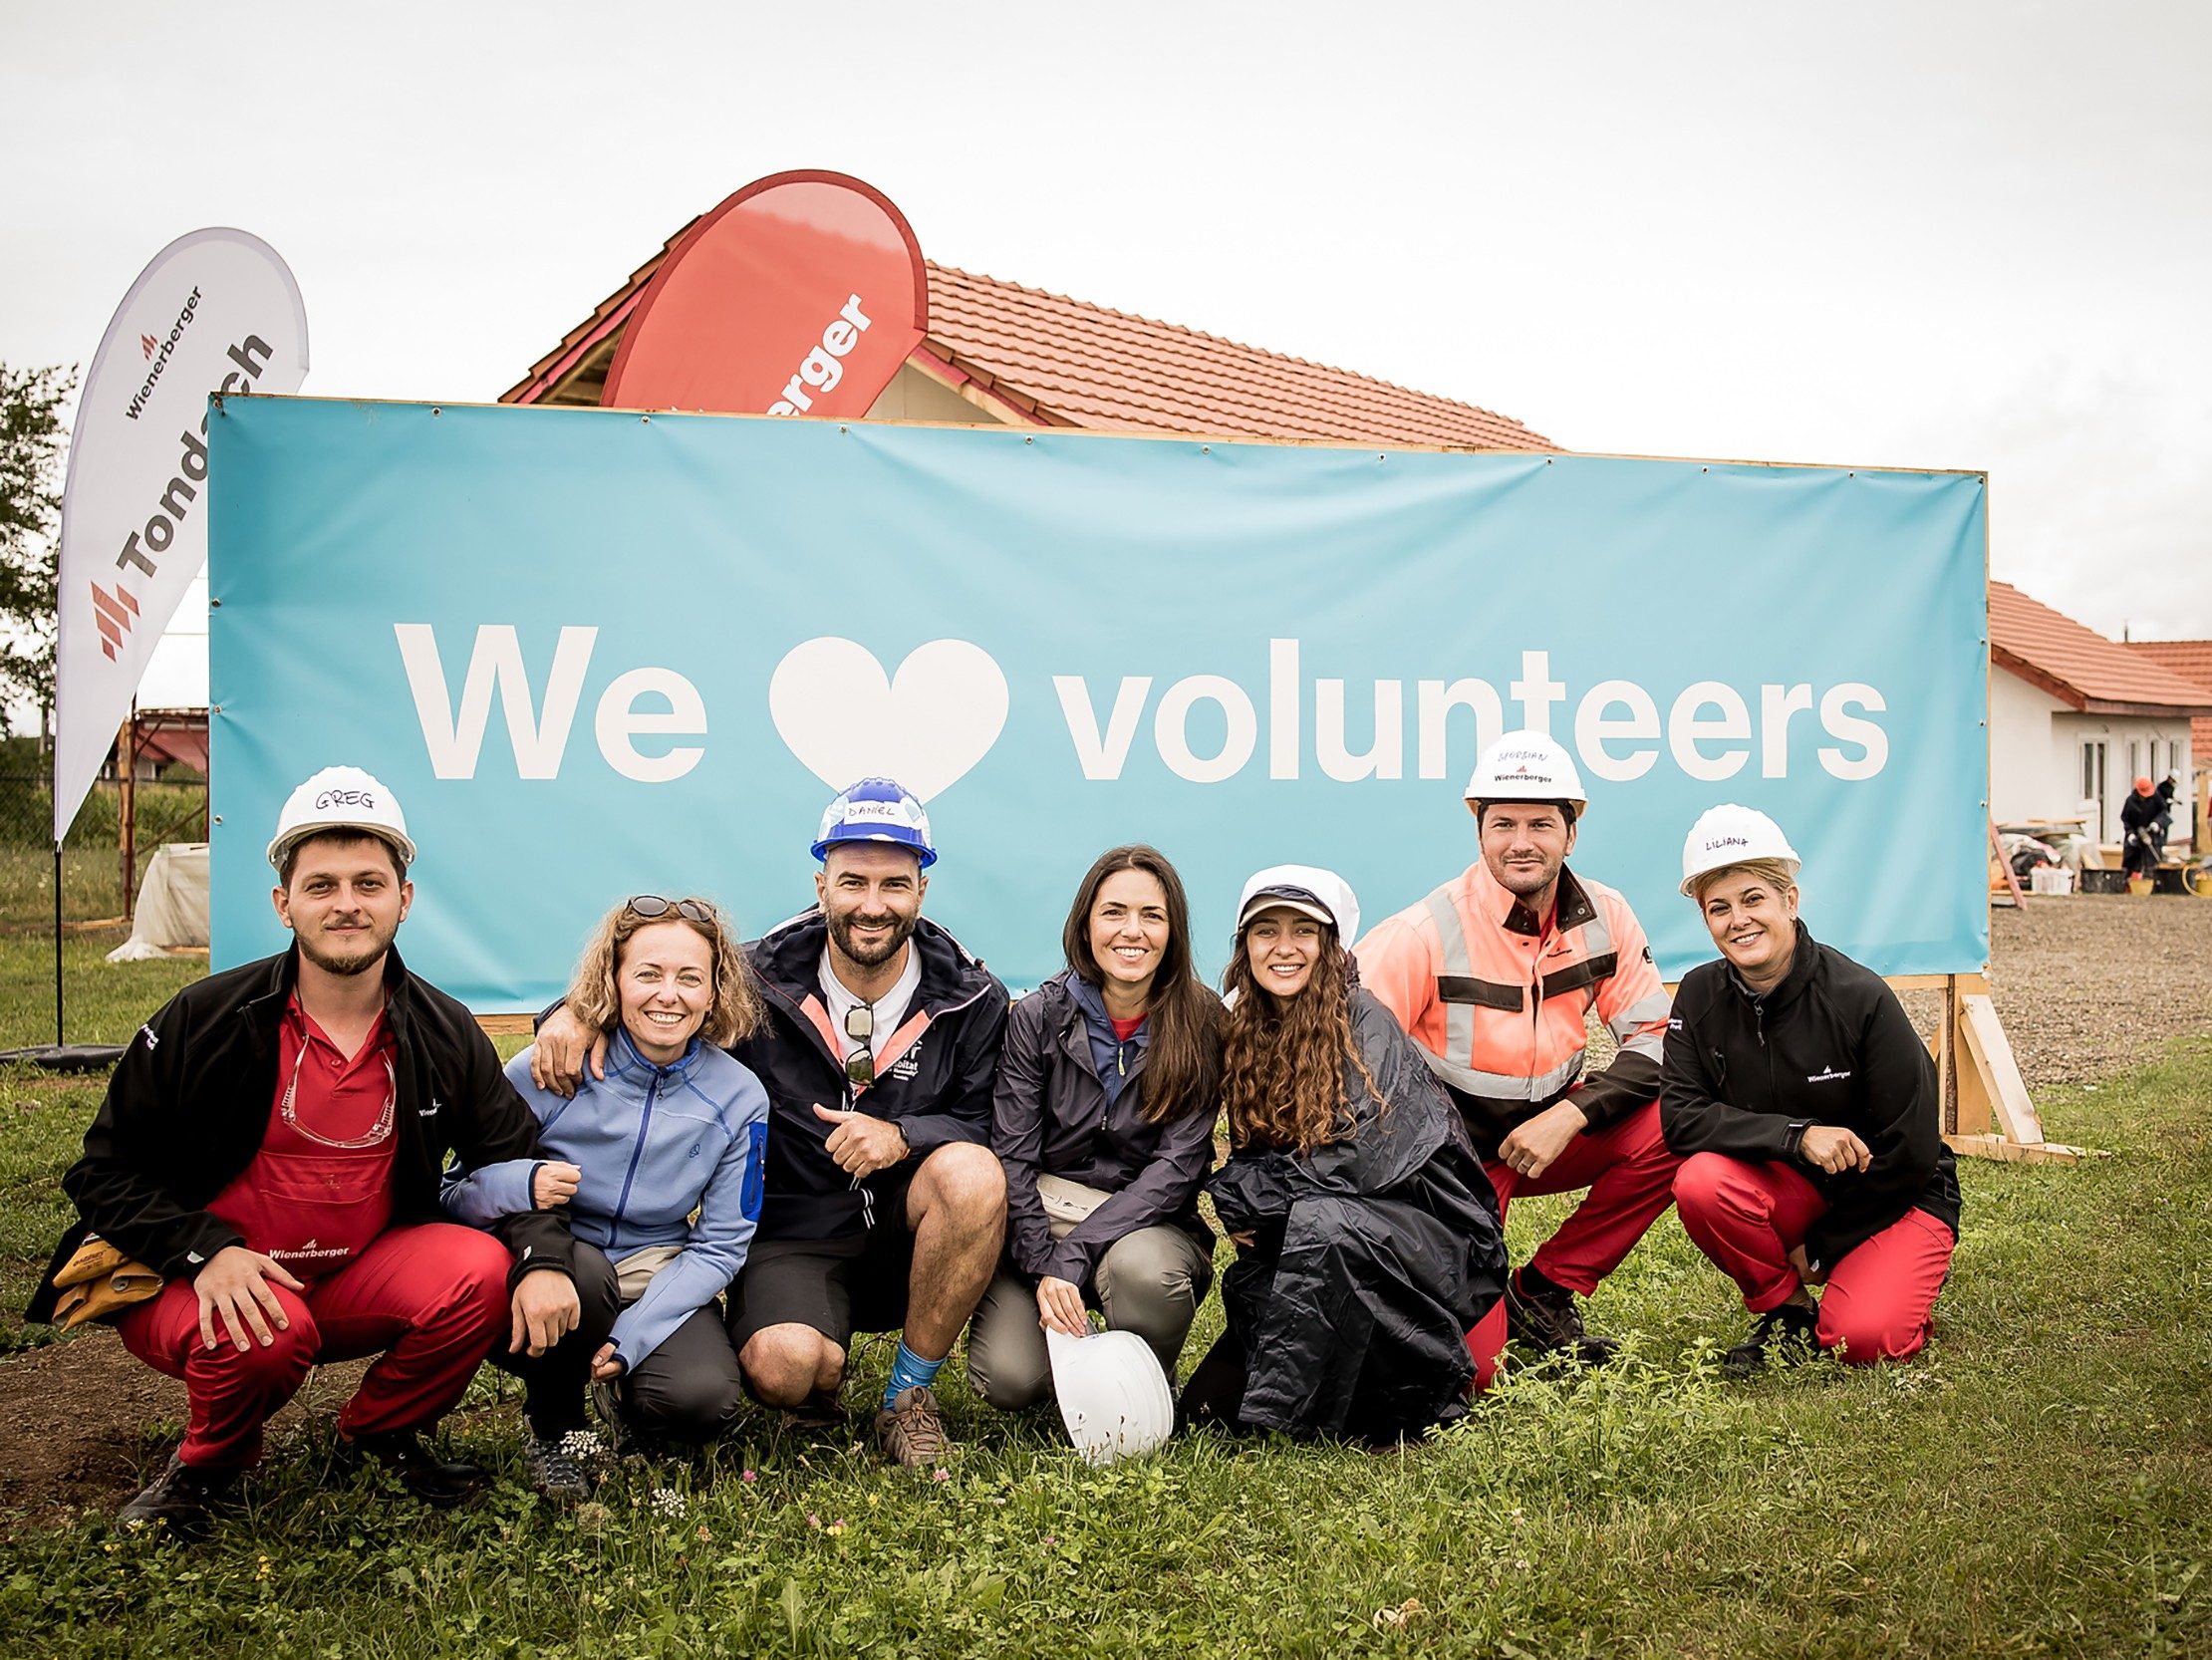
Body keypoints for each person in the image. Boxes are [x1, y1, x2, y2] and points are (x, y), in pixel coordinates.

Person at [28, 766, 582, 1534]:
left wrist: (546, 1263)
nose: (347, 904)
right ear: (284, 903)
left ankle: (380, 1434)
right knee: (269, 1331)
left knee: (481, 1271)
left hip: (354, 1276)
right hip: (207, 1281)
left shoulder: (446, 1029)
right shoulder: (205, 1016)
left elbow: (509, 1164)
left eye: (368, 883)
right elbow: (102, 1169)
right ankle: (207, 1465)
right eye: (321, 886)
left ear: (404, 899)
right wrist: (202, 1249)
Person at [532, 779, 1007, 1468]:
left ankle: (908, 1401)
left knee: (972, 1174)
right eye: (853, 882)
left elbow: (993, 1123)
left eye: (893, 885)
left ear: (921, 892)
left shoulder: (970, 994)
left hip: (912, 1231)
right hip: (795, 1232)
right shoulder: (758, 974)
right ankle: (814, 1376)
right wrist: (575, 1013)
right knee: (785, 1367)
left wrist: (904, 1137)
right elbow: (662, 995)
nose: (872, 906)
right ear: (821, 887)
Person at [1356, 730, 1678, 1374]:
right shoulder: (1425, 930)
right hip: (1451, 1162)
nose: (1521, 841)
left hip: (1548, 1134)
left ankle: (1545, 1290)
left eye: (1540, 824)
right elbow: (1345, 1054)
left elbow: (1656, 1037)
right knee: (1472, 1372)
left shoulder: (1606, 917)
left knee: (1678, 1127)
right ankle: (1467, 1290)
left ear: (1572, 832)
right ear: (1479, 831)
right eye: (1503, 824)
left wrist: (1575, 1113)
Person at [442, 895, 771, 1496]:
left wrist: (634, 1335)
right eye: (647, 974)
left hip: (652, 1271)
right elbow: (453, 1192)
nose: (667, 995)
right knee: (585, 1273)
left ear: (715, 990)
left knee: (701, 1402)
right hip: (541, 1271)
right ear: (612, 981)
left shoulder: (740, 1095)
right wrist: (524, 1182)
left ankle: (625, 1399)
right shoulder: (547, 1069)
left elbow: (721, 1246)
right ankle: (555, 1429)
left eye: (689, 978)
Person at [1181, 867, 1506, 1444]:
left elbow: (1358, 1164)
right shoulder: (1249, 1028)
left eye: (1303, 931)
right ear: (1244, 946)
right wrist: (1248, 1204)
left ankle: (1373, 1402)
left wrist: (1247, 1199)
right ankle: (1312, 1397)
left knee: (1325, 1223)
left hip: (1428, 1239)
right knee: (1204, 1412)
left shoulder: (1364, 1021)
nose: (1284, 948)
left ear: (1330, 945)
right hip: (1323, 1228)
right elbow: (1262, 1158)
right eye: (1265, 932)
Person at [1662, 805, 1961, 1374]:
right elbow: (1680, 1117)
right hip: (1794, 1187)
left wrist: (1825, 1243)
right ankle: (1789, 1314)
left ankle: (1880, 1279)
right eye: (1718, 908)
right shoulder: (1699, 995)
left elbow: (1915, 1148)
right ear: (1704, 920)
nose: (1738, 920)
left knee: (1862, 1340)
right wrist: (1797, 1136)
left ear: (1790, 902)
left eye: (1754, 899)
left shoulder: (1858, 996)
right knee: (1701, 1182)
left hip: (1894, 1194)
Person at [966, 845, 1220, 1410]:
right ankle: (1068, 1354)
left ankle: (1146, 1381)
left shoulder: (1203, 1022)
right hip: (1041, 1221)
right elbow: (1011, 1155)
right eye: (1114, 912)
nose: (1132, 931)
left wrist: (1076, 1253)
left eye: (1152, 915)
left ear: (1173, 930)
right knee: (1011, 1381)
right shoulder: (1038, 1016)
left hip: (1144, 1224)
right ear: (1085, 924)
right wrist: (1042, 1265)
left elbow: (1178, 1167)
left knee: (1145, 1277)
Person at [2121, 775, 2166, 879]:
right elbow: (2125, 819)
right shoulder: (2130, 801)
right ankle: (2128, 882)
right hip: (2135, 833)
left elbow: (2164, 812)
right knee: (2131, 858)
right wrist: (2130, 833)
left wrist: (2157, 823)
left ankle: (2153, 881)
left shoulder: (2156, 798)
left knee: (2152, 859)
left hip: (2152, 833)